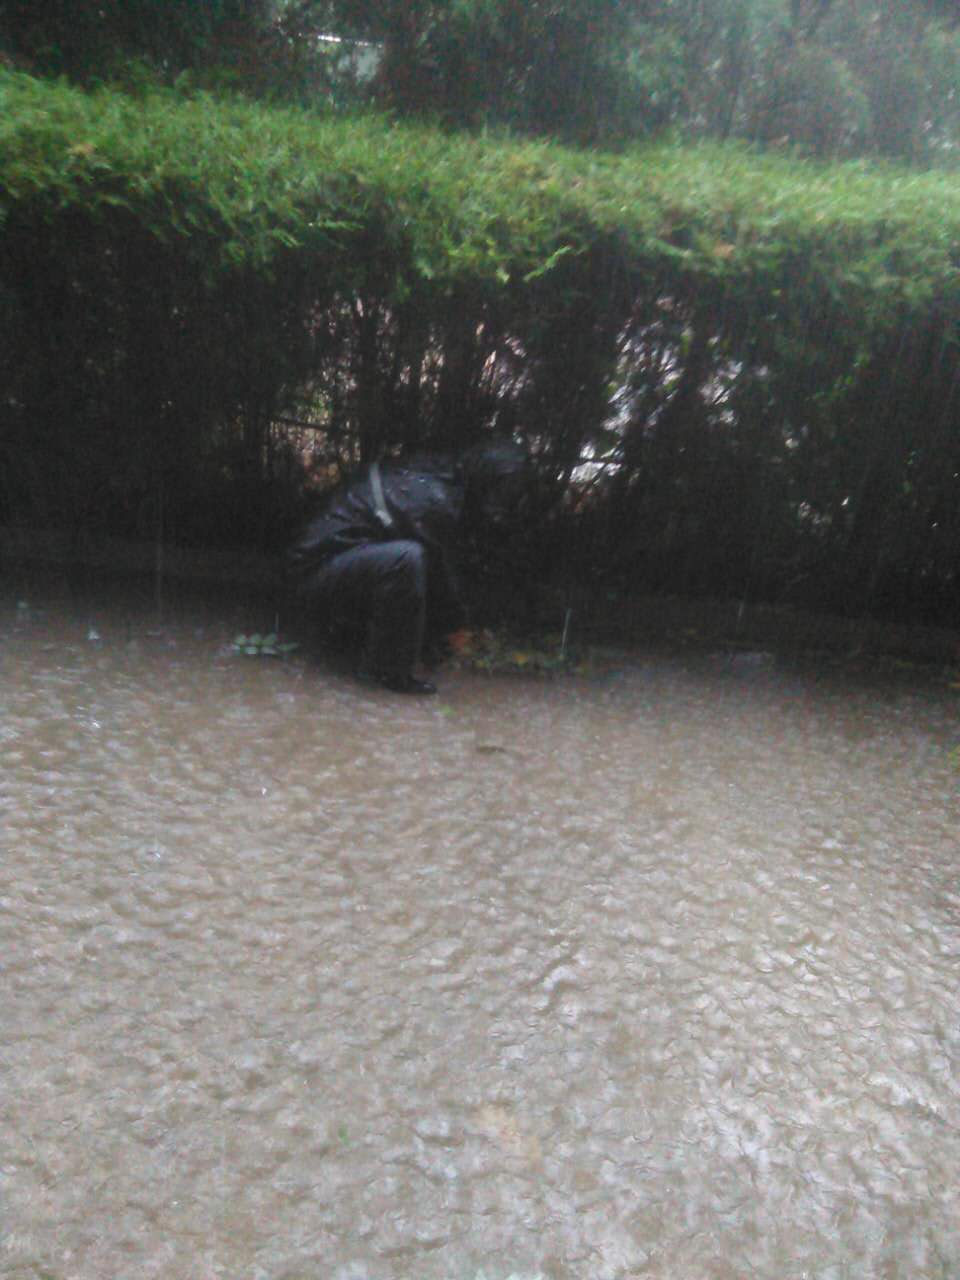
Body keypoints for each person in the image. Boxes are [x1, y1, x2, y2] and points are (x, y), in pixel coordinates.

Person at [288, 441, 529, 693]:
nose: (506, 496)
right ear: (487, 478)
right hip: (312, 574)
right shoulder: (434, 496)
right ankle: (387, 673)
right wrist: (457, 628)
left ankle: (371, 646)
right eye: (505, 486)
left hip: (334, 564)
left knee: (407, 560)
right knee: (405, 559)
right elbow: (441, 574)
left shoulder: (436, 476)